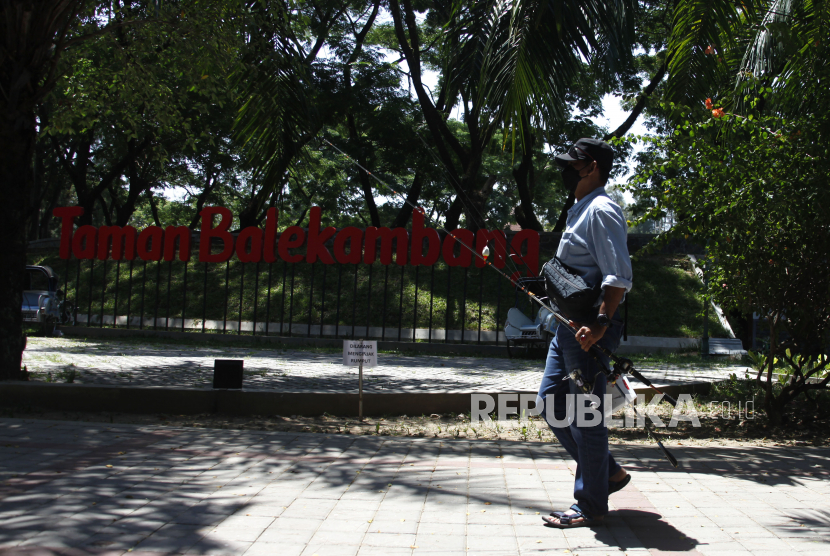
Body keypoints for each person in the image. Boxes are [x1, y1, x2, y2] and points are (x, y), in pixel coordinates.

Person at [538, 138, 633, 528]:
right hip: (566, 330)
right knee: (550, 403)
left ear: (591, 167)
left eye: (571, 164)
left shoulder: (601, 210)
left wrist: (599, 324)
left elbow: (618, 275)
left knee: (584, 416)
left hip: (587, 333)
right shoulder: (580, 209)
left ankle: (590, 503)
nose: (564, 170)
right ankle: (607, 472)